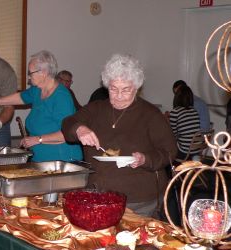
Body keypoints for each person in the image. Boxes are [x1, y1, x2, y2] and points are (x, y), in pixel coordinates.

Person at [62, 54, 177, 217]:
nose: (118, 95)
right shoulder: (96, 109)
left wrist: (145, 159)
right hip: (98, 193)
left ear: (136, 88)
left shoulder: (151, 114)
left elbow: (170, 152)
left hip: (138, 200)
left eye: (126, 90)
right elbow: (68, 123)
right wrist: (79, 129)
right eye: (113, 89)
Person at [0, 50, 83, 162]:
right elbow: (21, 97)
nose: (29, 78)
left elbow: (66, 134)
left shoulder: (62, 97)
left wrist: (38, 139)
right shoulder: (37, 90)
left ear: (44, 73)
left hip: (62, 160)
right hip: (40, 159)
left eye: (31, 73)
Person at [169, 85, 201, 160]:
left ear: (176, 98)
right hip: (197, 149)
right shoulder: (194, 111)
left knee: (166, 145)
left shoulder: (175, 112)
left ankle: (170, 169)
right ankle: (193, 158)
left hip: (184, 151)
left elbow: (172, 135)